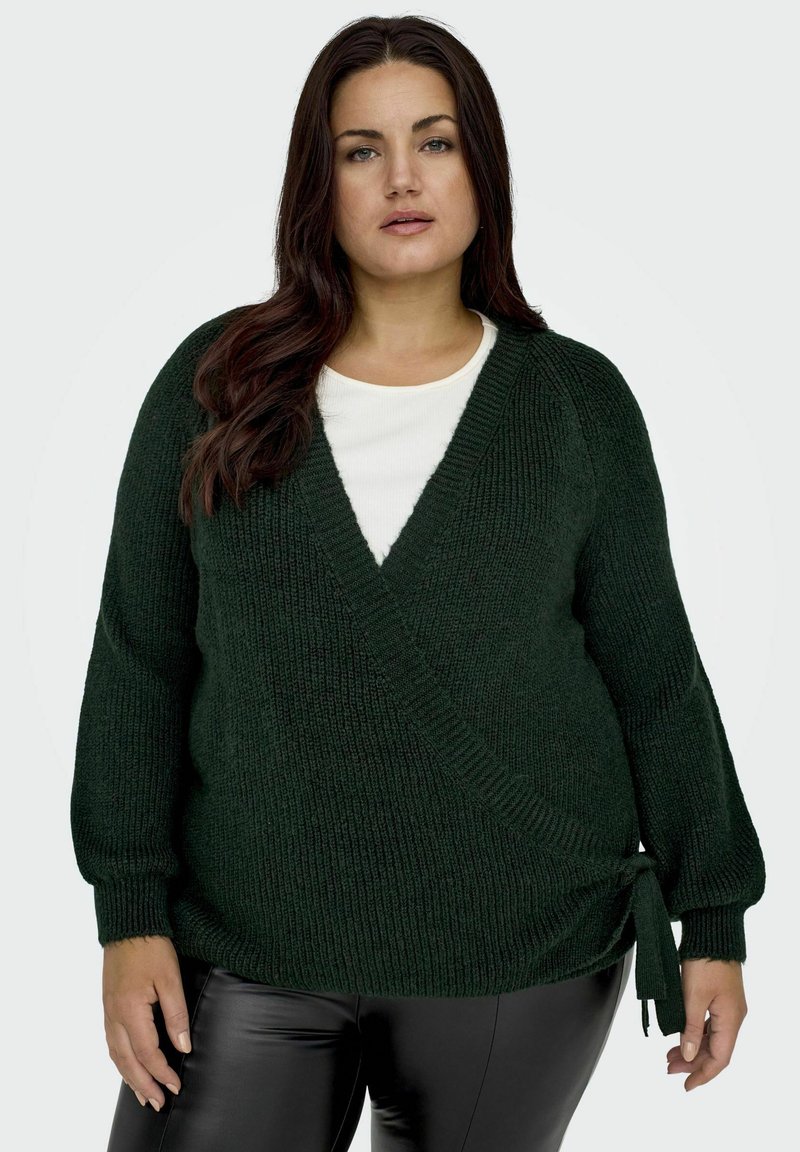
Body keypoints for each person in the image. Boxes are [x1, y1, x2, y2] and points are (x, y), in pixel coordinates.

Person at [70, 14, 766, 1152]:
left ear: (480, 167)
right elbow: (139, 660)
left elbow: (655, 677)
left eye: (434, 142)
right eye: (362, 150)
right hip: (246, 944)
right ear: (319, 184)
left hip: (520, 954)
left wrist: (711, 919)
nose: (402, 178)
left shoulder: (574, 405)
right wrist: (129, 913)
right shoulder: (214, 387)